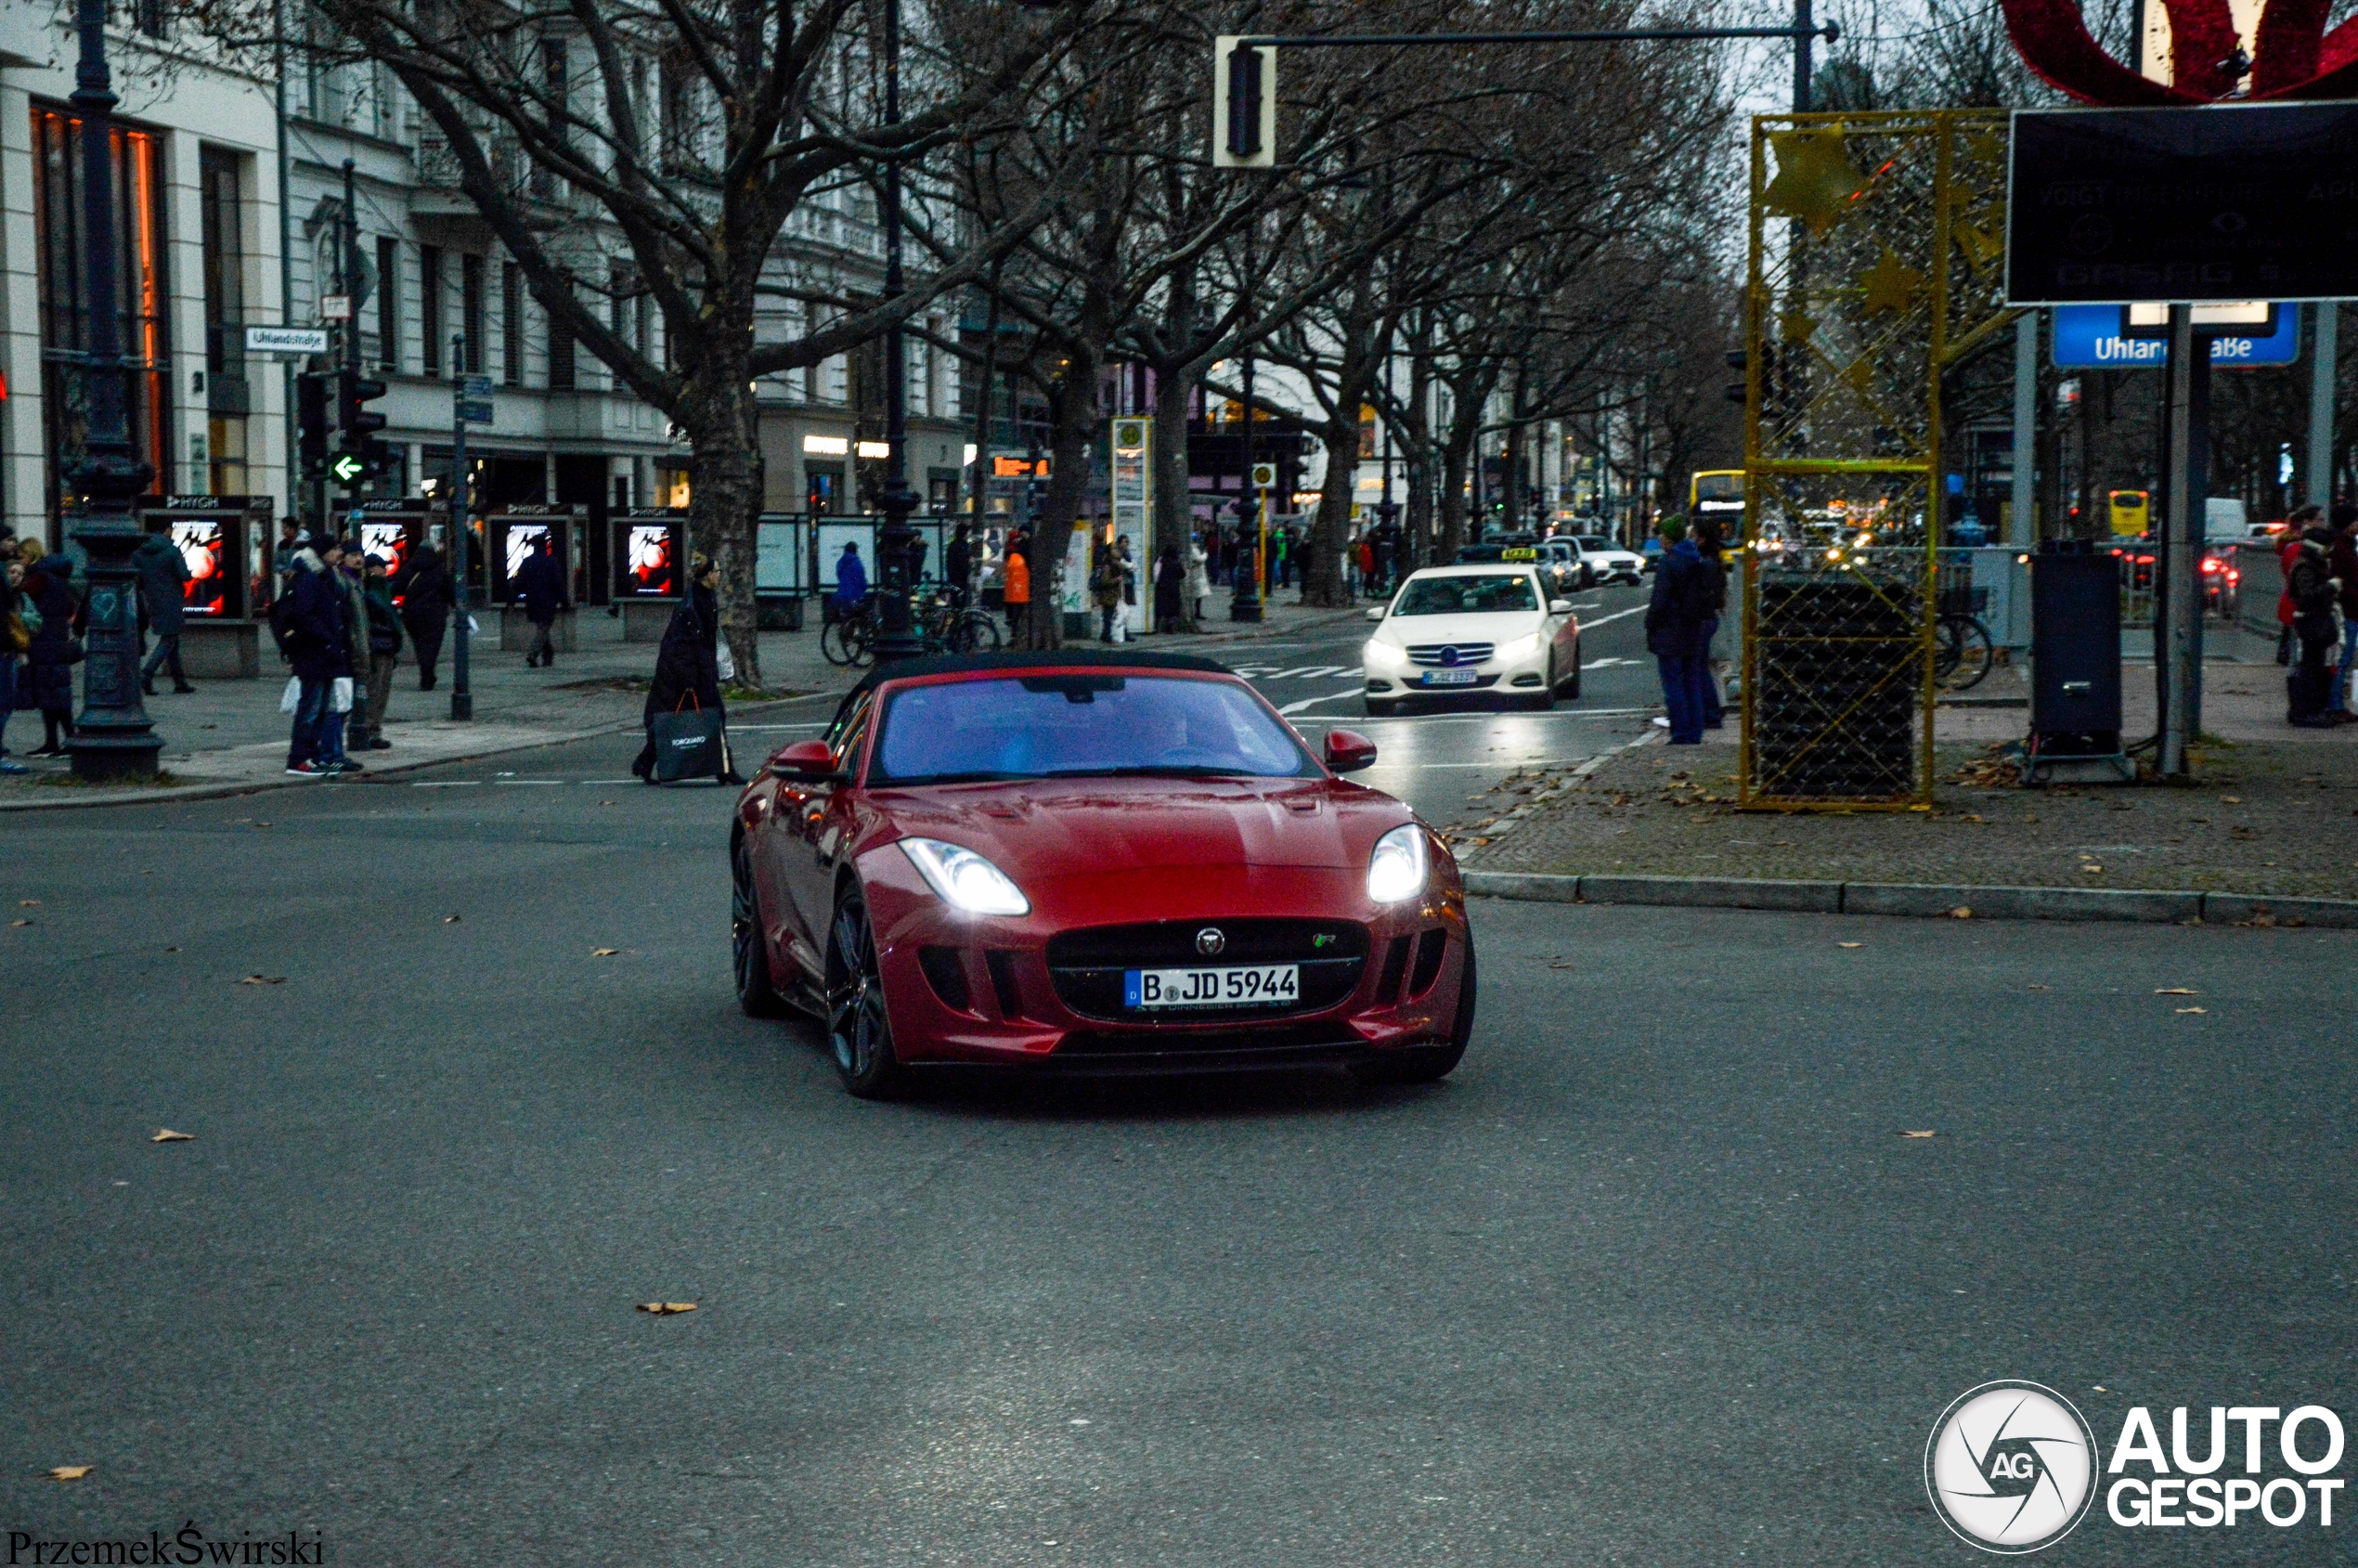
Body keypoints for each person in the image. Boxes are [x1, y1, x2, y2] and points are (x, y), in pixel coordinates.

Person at [632, 552, 741, 784]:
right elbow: (681, 643)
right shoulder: (691, 604)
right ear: (706, 575)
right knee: (695, 717)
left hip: (694, 672)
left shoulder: (704, 597)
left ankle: (644, 762)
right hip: (684, 675)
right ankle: (725, 770)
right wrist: (690, 677)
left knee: (675, 718)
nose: (719, 575)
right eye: (716, 571)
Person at [281, 535, 347, 776]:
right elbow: (305, 615)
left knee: (319, 709)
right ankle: (298, 759)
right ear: (322, 553)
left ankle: (311, 756)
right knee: (310, 708)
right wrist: (326, 638)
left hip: (325, 654)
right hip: (313, 653)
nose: (339, 553)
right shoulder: (309, 579)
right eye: (335, 549)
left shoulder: (324, 577)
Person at [1645, 515, 1713, 745]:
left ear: (1669, 538)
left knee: (1673, 683)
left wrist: (1651, 623)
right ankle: (1695, 731)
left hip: (1670, 630)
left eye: (1662, 535)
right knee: (1692, 681)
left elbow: (1660, 600)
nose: (1660, 540)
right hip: (1693, 628)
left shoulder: (1669, 562)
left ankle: (1681, 732)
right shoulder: (1696, 559)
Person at [2284, 514, 2342, 728]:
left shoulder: (2308, 563)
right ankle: (2304, 711)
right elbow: (2306, 595)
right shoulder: (2307, 566)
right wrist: (2331, 587)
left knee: (2311, 667)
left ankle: (2305, 710)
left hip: (2311, 620)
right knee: (2310, 669)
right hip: (2311, 620)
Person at [19, 550, 80, 758]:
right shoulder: (62, 582)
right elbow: (71, 607)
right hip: (58, 642)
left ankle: (60, 740)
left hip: (43, 643)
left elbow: (22, 596)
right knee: (57, 693)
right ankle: (60, 740)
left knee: (50, 694)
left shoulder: (40, 579)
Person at [132, 526, 195, 696]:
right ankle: (146, 674)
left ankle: (179, 682)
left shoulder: (140, 552)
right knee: (168, 639)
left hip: (152, 599)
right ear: (167, 532)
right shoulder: (172, 551)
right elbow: (184, 575)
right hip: (172, 600)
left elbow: (136, 577)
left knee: (172, 639)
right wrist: (190, 572)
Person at [357, 554, 404, 750]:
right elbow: (385, 618)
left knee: (379, 690)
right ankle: (370, 730)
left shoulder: (378, 589)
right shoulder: (374, 591)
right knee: (376, 690)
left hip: (383, 645)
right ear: (372, 569)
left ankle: (373, 729)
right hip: (379, 645)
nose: (385, 570)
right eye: (381, 567)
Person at [396, 543, 454, 690]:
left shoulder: (408, 569)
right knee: (432, 646)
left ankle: (426, 673)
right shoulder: (440, 571)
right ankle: (427, 675)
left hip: (412, 615)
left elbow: (397, 589)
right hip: (435, 614)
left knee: (420, 645)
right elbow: (450, 592)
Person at [1691, 516, 1729, 730]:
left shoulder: (1704, 564)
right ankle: (1713, 709)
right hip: (1710, 616)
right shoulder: (1715, 561)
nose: (1691, 539)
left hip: (1704, 618)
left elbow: (1703, 594)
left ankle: (1711, 712)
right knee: (1706, 666)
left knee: (1700, 667)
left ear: (1702, 540)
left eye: (1694, 536)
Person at [514, 534, 567, 667]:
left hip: (532, 601)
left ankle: (548, 656)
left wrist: (511, 600)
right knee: (544, 628)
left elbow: (518, 583)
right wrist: (564, 601)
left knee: (542, 627)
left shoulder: (527, 562)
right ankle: (533, 653)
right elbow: (557, 584)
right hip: (548, 601)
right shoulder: (551, 562)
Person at [2275, 505, 2319, 666]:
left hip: (2290, 600)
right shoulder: (2300, 551)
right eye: (2319, 520)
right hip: (2300, 603)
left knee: (2291, 640)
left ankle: (2286, 657)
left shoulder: (2288, 548)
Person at [2329, 503, 2358, 718]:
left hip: (2349, 609)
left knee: (2343, 658)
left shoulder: (2341, 546)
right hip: (2348, 610)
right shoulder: (2342, 548)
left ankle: (2335, 702)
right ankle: (2335, 703)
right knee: (2343, 658)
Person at [0, 551, 26, 773]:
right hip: (5, 650)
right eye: (12, 571)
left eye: (20, 573)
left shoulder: (20, 596)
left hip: (9, 650)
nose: (16, 576)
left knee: (6, 704)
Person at [1091, 537, 1123, 641]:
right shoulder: (1108, 566)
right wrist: (1116, 580)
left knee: (1109, 615)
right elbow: (1105, 582)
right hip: (1108, 594)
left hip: (1111, 594)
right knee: (1108, 615)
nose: (1117, 551)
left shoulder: (1114, 564)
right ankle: (1106, 635)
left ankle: (1105, 634)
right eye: (1115, 549)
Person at [1002, 529, 1030, 642]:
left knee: (1014, 607)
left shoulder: (1010, 550)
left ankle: (1013, 626)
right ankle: (1015, 628)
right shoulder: (1019, 550)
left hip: (1012, 585)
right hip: (1019, 584)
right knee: (1018, 608)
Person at [834, 541, 869, 623]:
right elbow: (862, 582)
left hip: (842, 595)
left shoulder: (840, 562)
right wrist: (865, 586)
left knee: (845, 613)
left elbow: (839, 576)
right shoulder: (858, 563)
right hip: (856, 596)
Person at [1154, 539, 1185, 632]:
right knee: (1174, 608)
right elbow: (1182, 574)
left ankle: (1158, 625)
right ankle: (1171, 624)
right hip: (1174, 588)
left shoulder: (1161, 562)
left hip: (1162, 587)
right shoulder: (1176, 563)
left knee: (1163, 606)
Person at [945, 522, 974, 610]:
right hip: (961, 578)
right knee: (961, 602)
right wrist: (969, 562)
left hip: (954, 578)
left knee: (956, 602)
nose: (969, 534)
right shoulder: (963, 546)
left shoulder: (952, 545)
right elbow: (962, 562)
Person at [1184, 531, 1211, 626]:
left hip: (1197, 575)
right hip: (1196, 575)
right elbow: (1200, 559)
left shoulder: (1193, 549)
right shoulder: (1193, 550)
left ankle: (1197, 612)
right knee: (1197, 595)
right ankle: (1196, 613)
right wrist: (1205, 554)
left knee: (1198, 595)